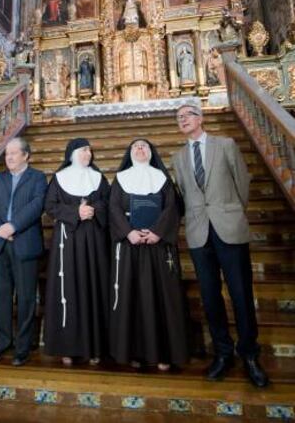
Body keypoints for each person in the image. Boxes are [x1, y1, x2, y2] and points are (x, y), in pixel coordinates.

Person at [172, 104, 269, 388]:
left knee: (240, 293)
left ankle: (250, 353)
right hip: (199, 232)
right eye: (178, 118)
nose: (183, 120)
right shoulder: (178, 157)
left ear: (200, 118)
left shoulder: (225, 145)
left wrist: (232, 212)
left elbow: (242, 182)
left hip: (228, 227)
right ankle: (223, 353)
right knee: (211, 296)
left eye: (187, 115)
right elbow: (184, 192)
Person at [109, 139, 188, 369]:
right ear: (129, 153)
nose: (140, 149)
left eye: (144, 146)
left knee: (163, 298)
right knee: (132, 297)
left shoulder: (162, 178)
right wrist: (128, 232)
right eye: (135, 147)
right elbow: (113, 208)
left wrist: (157, 232)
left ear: (151, 152)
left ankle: (165, 353)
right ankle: (135, 352)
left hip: (158, 247)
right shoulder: (121, 180)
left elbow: (172, 208)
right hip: (130, 247)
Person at [44, 138, 110, 365]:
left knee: (95, 287)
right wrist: (75, 212)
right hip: (68, 241)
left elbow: (108, 203)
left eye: (90, 151)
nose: (88, 154)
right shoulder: (60, 178)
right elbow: (50, 206)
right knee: (69, 290)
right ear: (72, 153)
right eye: (83, 151)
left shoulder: (98, 178)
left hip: (94, 241)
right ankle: (68, 347)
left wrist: (93, 210)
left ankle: (96, 347)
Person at [0, 137, 47, 366]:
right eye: (7, 153)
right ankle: (1, 343)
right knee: (1, 297)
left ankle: (23, 347)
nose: (8, 157)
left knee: (26, 298)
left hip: (24, 244)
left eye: (13, 153)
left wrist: (13, 226)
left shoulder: (38, 178)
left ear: (26, 155)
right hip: (0, 244)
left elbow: (37, 205)